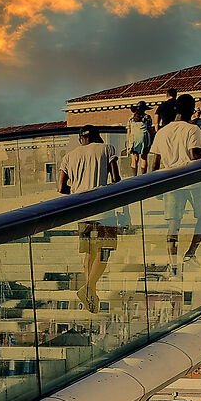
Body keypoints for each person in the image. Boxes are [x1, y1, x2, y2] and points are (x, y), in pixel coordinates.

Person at [58, 129, 122, 312]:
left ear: (81, 139)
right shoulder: (106, 148)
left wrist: (78, 190)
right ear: (97, 136)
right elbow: (116, 178)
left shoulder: (69, 156)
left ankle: (90, 293)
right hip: (104, 208)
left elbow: (61, 187)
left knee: (88, 253)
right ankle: (89, 288)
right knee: (105, 250)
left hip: (81, 210)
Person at [148, 103, 201, 267]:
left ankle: (173, 264)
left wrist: (156, 187)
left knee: (173, 225)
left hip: (170, 180)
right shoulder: (193, 129)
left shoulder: (162, 132)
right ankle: (190, 253)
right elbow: (194, 155)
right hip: (192, 179)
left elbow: (155, 164)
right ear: (191, 111)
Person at [126, 102, 156, 174]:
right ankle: (143, 175)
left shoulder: (131, 119)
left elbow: (129, 132)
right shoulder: (147, 117)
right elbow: (150, 130)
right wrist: (154, 136)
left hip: (134, 139)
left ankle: (134, 176)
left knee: (134, 159)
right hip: (144, 139)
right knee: (144, 158)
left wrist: (129, 142)